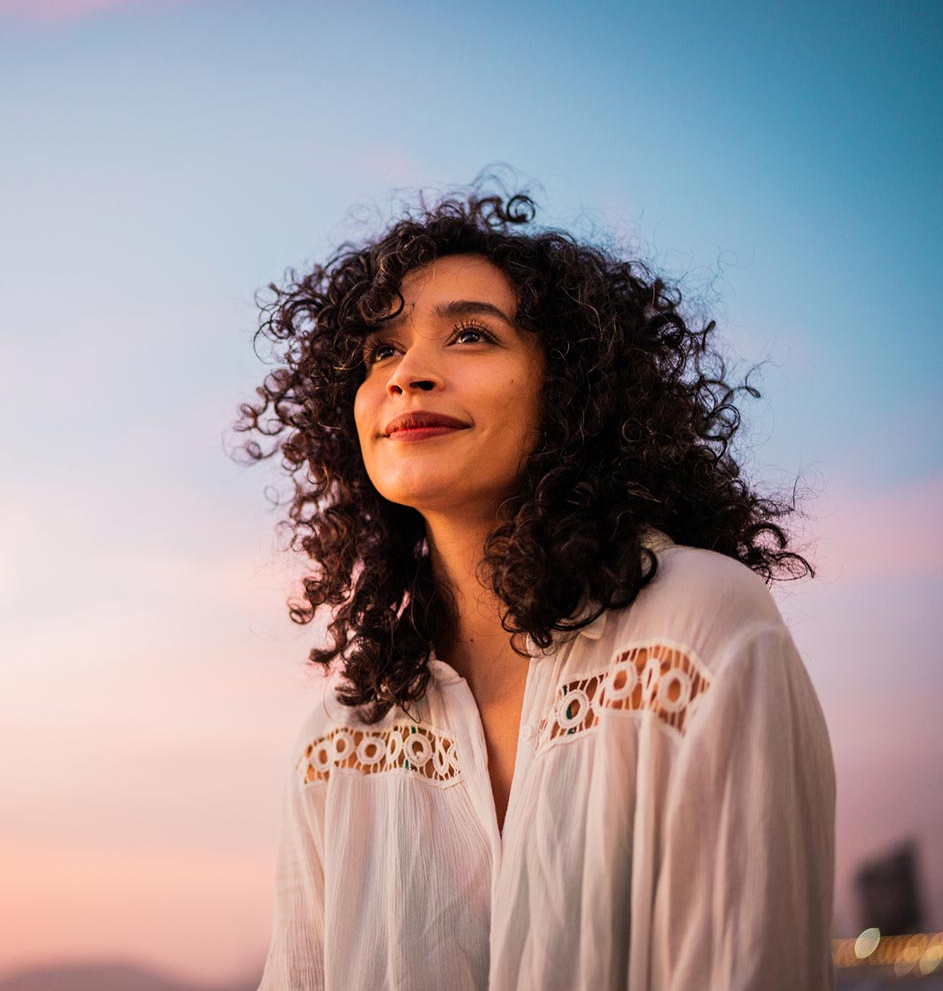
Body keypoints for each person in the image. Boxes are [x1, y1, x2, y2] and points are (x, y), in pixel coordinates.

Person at [234, 183, 836, 990]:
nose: (408, 374)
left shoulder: (698, 631)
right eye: (381, 351)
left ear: (573, 391)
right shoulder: (340, 738)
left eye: (472, 335)